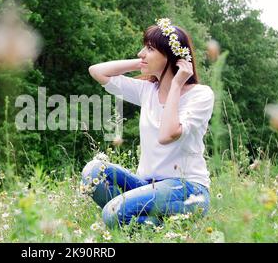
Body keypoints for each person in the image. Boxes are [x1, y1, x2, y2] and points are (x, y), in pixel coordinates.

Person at [83, 18, 214, 228]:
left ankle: (127, 219)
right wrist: (143, 62)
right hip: (147, 185)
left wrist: (177, 83)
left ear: (170, 57)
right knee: (94, 171)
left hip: (187, 190)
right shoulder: (147, 91)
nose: (140, 53)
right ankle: (154, 225)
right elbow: (97, 71)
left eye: (150, 48)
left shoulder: (200, 95)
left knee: (112, 213)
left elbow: (167, 134)